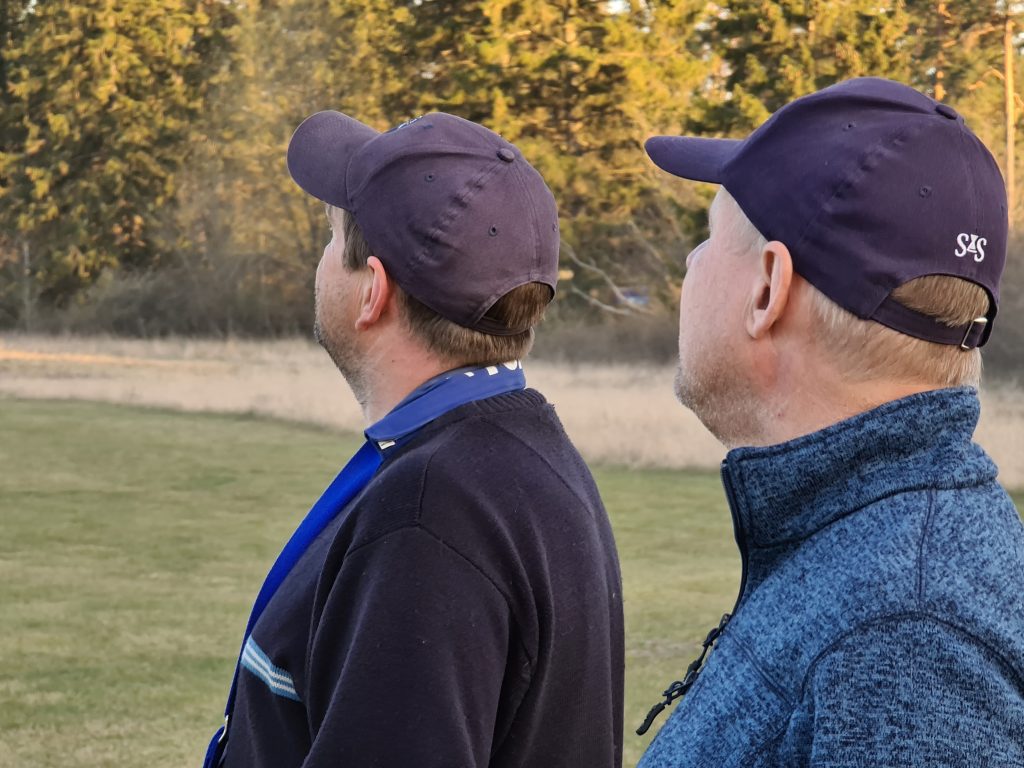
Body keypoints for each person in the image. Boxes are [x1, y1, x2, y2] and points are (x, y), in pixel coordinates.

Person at [202, 111, 624, 768]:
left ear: (372, 291)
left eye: (330, 240)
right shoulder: (520, 456)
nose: (320, 264)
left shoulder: (430, 513)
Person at [636, 77, 1024, 766]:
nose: (692, 263)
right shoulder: (870, 548)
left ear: (768, 288)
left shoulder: (906, 640)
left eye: (709, 237)